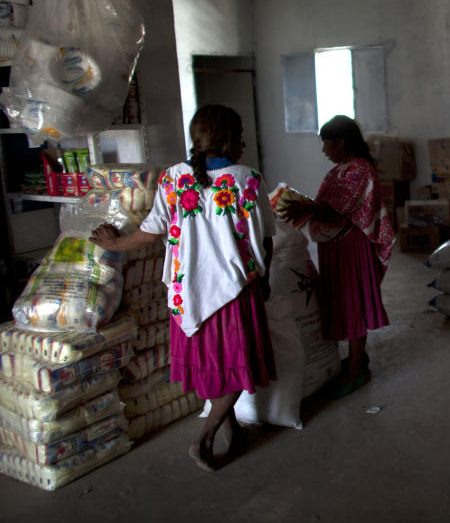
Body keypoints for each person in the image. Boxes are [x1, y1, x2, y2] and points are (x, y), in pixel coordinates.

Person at [91, 105, 276, 471]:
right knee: (241, 365)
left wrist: (115, 245)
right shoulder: (248, 180)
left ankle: (233, 431)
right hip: (233, 292)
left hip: (186, 291)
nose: (243, 143)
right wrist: (264, 279)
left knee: (211, 363)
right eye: (239, 136)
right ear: (226, 139)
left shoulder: (173, 178)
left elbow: (151, 231)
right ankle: (205, 439)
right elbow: (264, 238)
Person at [281, 115, 395, 398]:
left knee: (353, 305)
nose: (324, 151)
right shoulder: (338, 172)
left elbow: (341, 207)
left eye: (326, 144)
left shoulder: (360, 170)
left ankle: (355, 371)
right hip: (334, 248)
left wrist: (305, 208)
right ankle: (358, 358)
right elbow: (324, 205)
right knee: (341, 303)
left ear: (341, 143)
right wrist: (299, 206)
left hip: (351, 248)